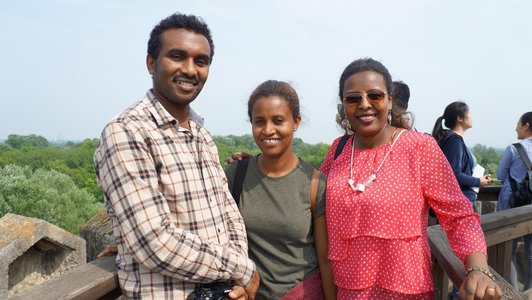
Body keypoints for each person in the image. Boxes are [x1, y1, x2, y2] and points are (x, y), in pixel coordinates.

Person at [93, 13, 258, 299]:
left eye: (201, 61)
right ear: (151, 63)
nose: (190, 70)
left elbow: (228, 214)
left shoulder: (202, 136)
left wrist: (236, 280)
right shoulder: (127, 132)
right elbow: (154, 241)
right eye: (177, 56)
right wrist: (243, 268)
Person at [321, 57, 501, 299]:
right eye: (353, 99)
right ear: (344, 106)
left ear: (390, 100)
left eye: (374, 95)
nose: (364, 104)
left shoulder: (418, 147)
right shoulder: (339, 150)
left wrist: (478, 268)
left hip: (405, 290)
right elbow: (311, 204)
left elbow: (458, 216)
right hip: (346, 289)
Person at [224, 80, 336, 299]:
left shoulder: (315, 184)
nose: (268, 130)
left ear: (296, 122)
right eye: (259, 121)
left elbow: (324, 260)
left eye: (278, 120)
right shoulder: (235, 175)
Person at [496, 111, 532, 291]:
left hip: (511, 203)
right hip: (531, 207)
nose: (515, 128)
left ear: (526, 125)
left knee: (506, 250)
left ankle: (511, 291)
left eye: (518, 124)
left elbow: (500, 174)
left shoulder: (514, 148)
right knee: (531, 252)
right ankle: (529, 291)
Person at [432, 101, 493, 205]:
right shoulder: (454, 141)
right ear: (460, 118)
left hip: (459, 199)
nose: (471, 116)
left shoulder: (452, 139)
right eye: (469, 112)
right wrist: (478, 181)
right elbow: (454, 174)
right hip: (460, 201)